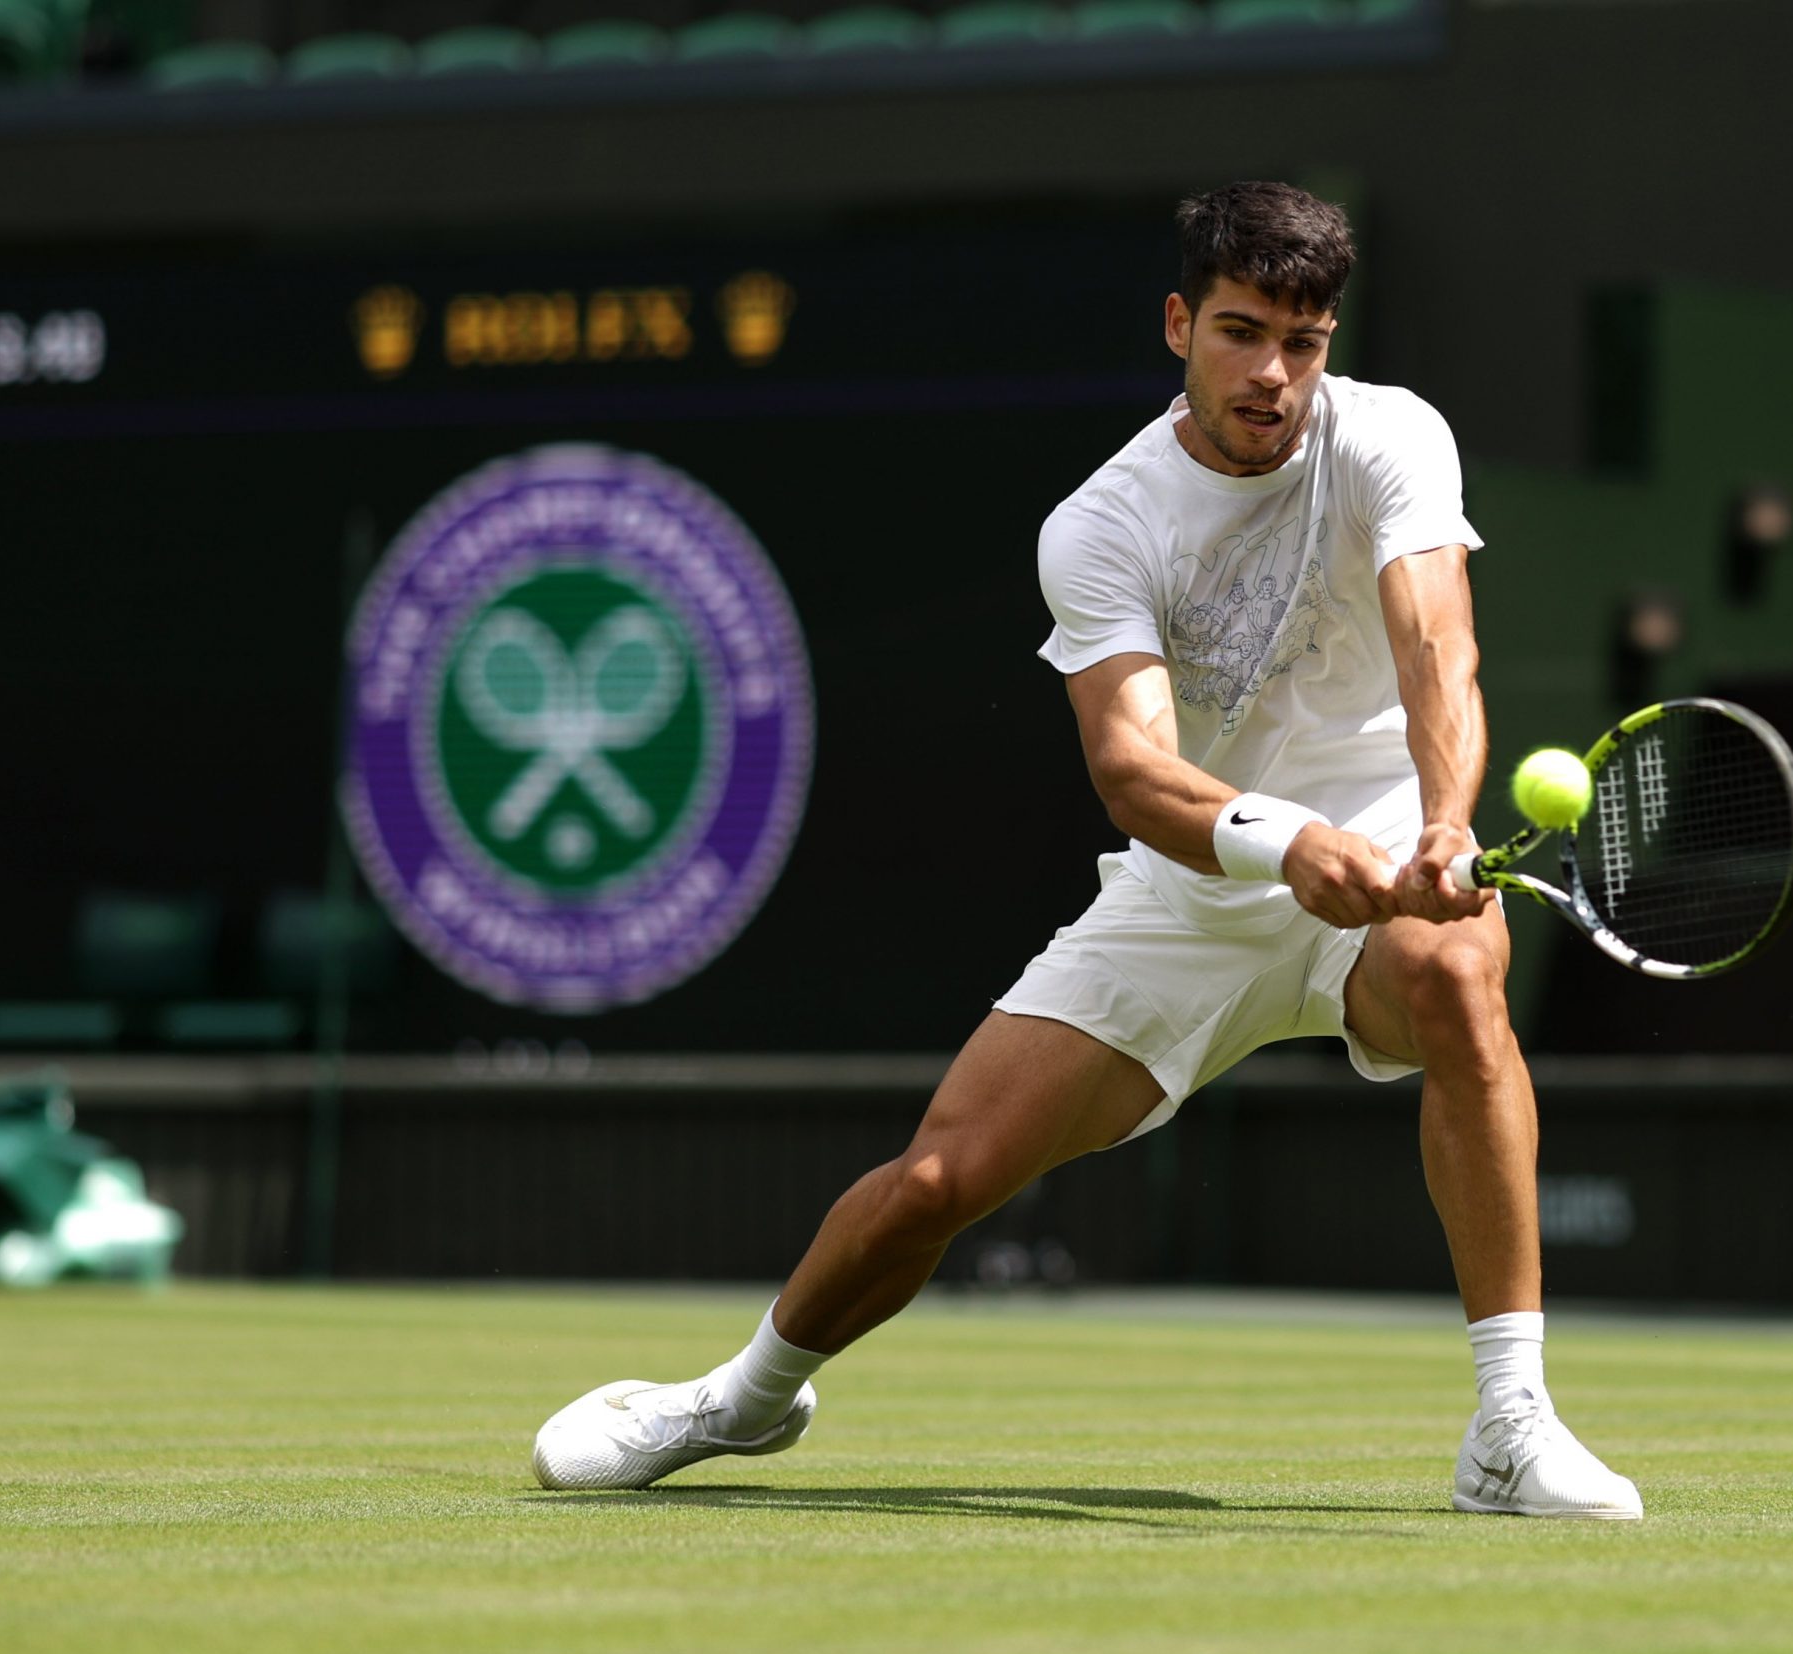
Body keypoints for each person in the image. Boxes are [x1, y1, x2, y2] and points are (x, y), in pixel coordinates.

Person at [531, 181, 1643, 1520]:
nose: (1275, 373)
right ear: (1179, 323)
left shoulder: (1392, 439)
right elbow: (1135, 773)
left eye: (1304, 341)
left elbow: (1437, 654)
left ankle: (1510, 1422)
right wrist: (1288, 843)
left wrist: (1446, 822)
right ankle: (743, 1398)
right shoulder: (1104, 524)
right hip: (1201, 888)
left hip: (1392, 839)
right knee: (936, 1182)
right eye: (1242, 332)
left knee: (1462, 972)